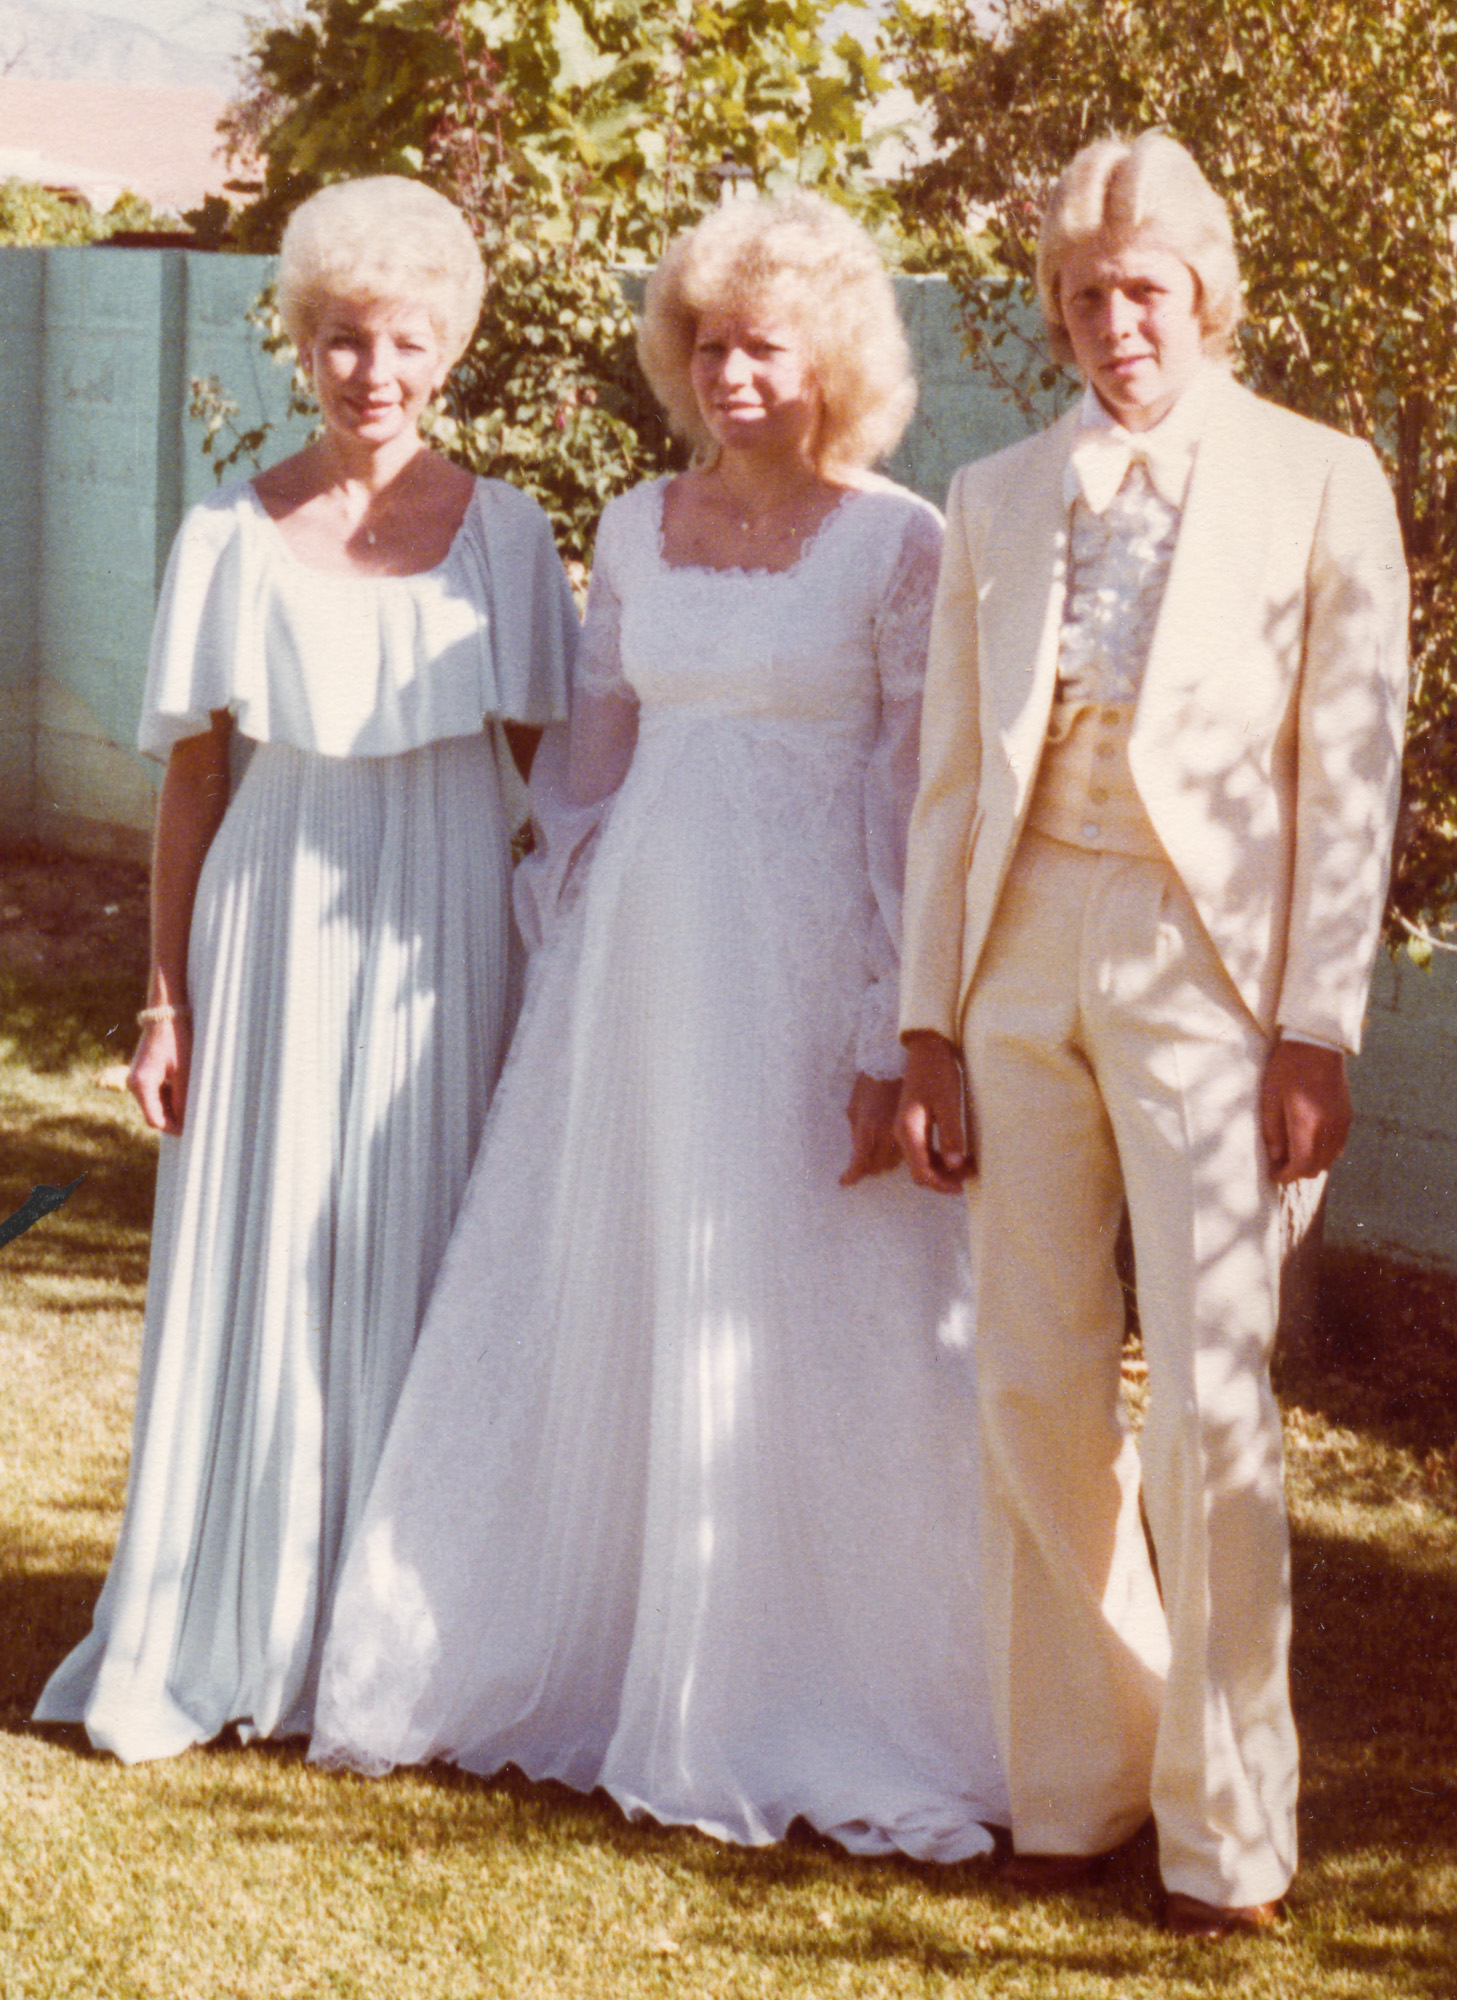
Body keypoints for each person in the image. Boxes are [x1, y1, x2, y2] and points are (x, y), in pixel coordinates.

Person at [309, 192, 1008, 1860]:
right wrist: (564, 949)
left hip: (807, 971)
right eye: (705, 344)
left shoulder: (899, 543)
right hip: (637, 971)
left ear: (830, 360)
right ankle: (581, 1642)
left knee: (800, 1298)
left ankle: (801, 1677)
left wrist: (889, 1028)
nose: (729, 374)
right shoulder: (631, 526)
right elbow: (589, 761)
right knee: (612, 1274)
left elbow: (911, 799)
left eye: (762, 346)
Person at [895, 132, 1408, 1935]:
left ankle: (1228, 1831)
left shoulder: (1319, 478)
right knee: (1031, 1384)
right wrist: (927, 1024)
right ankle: (1078, 1773)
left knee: (1205, 1400)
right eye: (1084, 295)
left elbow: (1349, 772)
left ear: (1206, 295)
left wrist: (1313, 1026)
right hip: (1017, 953)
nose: (1116, 323)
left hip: (1208, 972)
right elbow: (947, 776)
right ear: (1054, 311)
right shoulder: (995, 494)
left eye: (1144, 290)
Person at [34, 176, 577, 1763]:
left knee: (429, 1237)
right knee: (268, 1251)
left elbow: (559, 777)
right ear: (302, 344)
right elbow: (193, 780)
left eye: (405, 341)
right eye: (344, 338)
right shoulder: (227, 531)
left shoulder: (508, 536)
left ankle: (402, 1634)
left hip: (443, 926)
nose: (373, 372)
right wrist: (164, 998)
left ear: (449, 349)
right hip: (271, 910)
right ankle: (239, 1615)